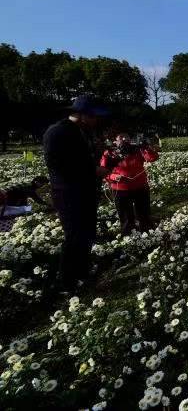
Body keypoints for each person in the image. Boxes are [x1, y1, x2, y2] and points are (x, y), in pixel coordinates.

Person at [43, 95, 110, 291]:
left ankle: (82, 272)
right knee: (74, 237)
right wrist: (92, 170)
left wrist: (96, 158)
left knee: (87, 233)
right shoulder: (58, 132)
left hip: (85, 190)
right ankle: (67, 283)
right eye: (94, 116)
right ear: (82, 115)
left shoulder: (82, 131)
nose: (97, 120)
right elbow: (57, 165)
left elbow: (84, 158)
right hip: (69, 193)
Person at [100, 132, 159, 235]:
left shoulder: (137, 150)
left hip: (140, 187)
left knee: (144, 214)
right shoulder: (109, 153)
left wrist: (146, 147)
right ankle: (130, 238)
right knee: (126, 217)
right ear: (114, 141)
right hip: (120, 188)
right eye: (120, 137)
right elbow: (103, 170)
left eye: (126, 137)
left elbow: (152, 158)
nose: (123, 140)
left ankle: (148, 236)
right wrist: (113, 177)